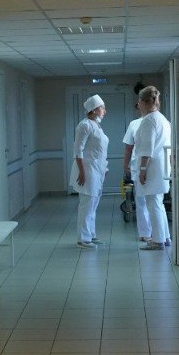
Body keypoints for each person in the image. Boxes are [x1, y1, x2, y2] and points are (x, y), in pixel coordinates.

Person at [133, 85, 172, 251]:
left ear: (143, 102)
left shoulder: (149, 120)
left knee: (153, 204)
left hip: (152, 168)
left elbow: (147, 148)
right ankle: (165, 237)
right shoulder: (161, 118)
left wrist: (142, 170)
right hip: (162, 167)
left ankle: (157, 241)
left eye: (139, 103)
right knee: (158, 203)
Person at [72, 94, 108, 249]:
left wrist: (104, 168)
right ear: (94, 110)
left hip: (98, 170)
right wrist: (82, 172)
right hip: (88, 170)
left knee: (93, 205)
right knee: (87, 205)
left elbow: (99, 150)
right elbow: (77, 151)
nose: (105, 111)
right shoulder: (84, 125)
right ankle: (83, 239)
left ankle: (91, 235)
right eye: (102, 108)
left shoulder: (96, 125)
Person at [122, 98, 151, 242]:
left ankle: (152, 234)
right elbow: (129, 146)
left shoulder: (157, 121)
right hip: (139, 166)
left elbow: (129, 148)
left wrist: (126, 165)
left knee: (150, 202)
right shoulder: (134, 124)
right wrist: (126, 165)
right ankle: (147, 233)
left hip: (149, 166)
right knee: (144, 201)